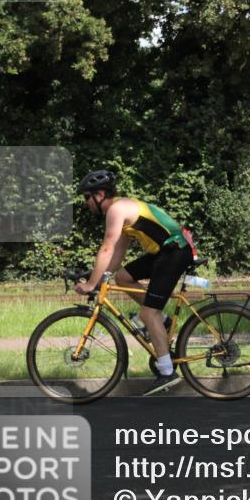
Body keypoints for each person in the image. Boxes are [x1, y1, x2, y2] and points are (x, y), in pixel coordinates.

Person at [75, 169, 193, 395]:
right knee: (123, 277)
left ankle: (167, 372)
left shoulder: (116, 210)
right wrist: (102, 280)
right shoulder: (122, 208)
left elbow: (107, 248)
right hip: (165, 251)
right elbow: (117, 256)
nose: (86, 203)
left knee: (149, 314)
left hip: (174, 251)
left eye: (87, 197)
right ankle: (164, 322)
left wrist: (91, 284)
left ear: (100, 194)